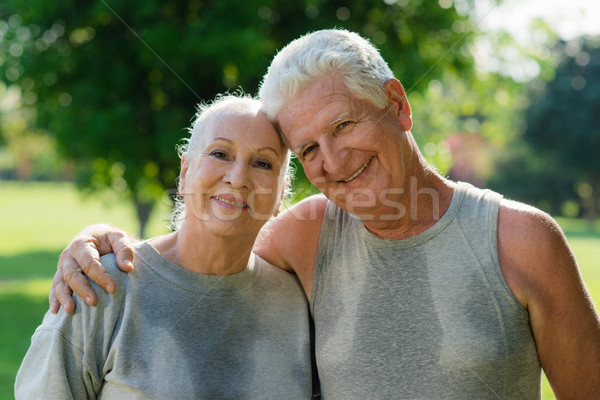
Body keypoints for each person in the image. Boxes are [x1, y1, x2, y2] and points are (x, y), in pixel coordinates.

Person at [49, 29, 600, 399]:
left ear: (397, 105)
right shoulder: (306, 235)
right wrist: (97, 241)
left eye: (344, 125)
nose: (334, 162)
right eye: (309, 149)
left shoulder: (522, 241)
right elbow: (203, 252)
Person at [15, 95, 314, 399]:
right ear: (185, 174)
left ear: (280, 195)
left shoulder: (298, 304)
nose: (238, 179)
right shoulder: (99, 287)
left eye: (262, 163)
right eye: (220, 154)